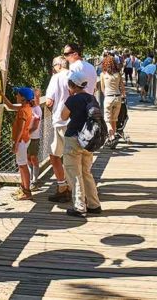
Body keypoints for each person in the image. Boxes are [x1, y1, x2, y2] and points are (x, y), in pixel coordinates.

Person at [61, 71, 102, 217]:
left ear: (72, 84)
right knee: (86, 173)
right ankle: (94, 204)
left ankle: (79, 206)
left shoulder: (72, 100)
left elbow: (63, 116)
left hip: (73, 138)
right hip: (88, 141)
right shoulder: (92, 98)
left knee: (74, 173)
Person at [0, 87, 35, 201]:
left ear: (23, 98)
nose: (16, 96)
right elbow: (10, 106)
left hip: (21, 141)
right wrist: (2, 95)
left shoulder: (23, 111)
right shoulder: (26, 107)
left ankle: (27, 192)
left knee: (23, 166)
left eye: (18, 94)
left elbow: (21, 128)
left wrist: (16, 143)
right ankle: (23, 188)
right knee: (21, 165)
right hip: (25, 139)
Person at [45, 56, 71, 202]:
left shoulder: (56, 78)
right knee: (72, 156)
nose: (53, 68)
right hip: (75, 121)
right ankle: (75, 187)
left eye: (54, 65)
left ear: (59, 65)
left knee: (54, 156)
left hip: (60, 121)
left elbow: (49, 101)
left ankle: (62, 186)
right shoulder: (74, 75)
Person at [100, 55, 125, 142]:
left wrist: (106, 95)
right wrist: (123, 95)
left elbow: (102, 88)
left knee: (107, 119)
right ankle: (113, 138)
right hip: (118, 97)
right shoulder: (118, 74)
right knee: (114, 120)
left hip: (108, 98)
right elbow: (122, 87)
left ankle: (111, 134)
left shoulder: (103, 74)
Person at [28, 88, 43, 190]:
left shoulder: (37, 109)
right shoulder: (28, 107)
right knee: (28, 158)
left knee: (33, 157)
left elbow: (34, 126)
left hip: (34, 137)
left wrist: (25, 133)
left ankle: (35, 180)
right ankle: (29, 179)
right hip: (27, 138)